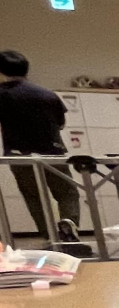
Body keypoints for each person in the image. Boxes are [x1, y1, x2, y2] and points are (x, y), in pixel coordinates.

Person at [0, 50, 81, 244]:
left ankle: (50, 236)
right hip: (53, 152)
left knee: (34, 196)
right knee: (67, 192)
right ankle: (69, 223)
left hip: (20, 155)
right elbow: (61, 124)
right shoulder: (47, 94)